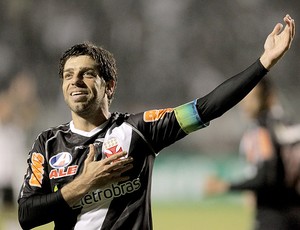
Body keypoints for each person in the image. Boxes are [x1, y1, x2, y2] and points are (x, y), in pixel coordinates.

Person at [18, 14, 295, 230]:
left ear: (109, 86)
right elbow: (26, 215)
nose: (75, 81)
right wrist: (84, 184)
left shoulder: (139, 130)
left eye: (86, 73)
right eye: (68, 75)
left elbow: (207, 107)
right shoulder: (48, 143)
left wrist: (264, 62)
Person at [203, 78, 300, 229]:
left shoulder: (260, 130)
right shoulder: (292, 126)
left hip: (271, 215)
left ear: (269, 97)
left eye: (251, 98)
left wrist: (225, 186)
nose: (244, 104)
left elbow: (266, 176)